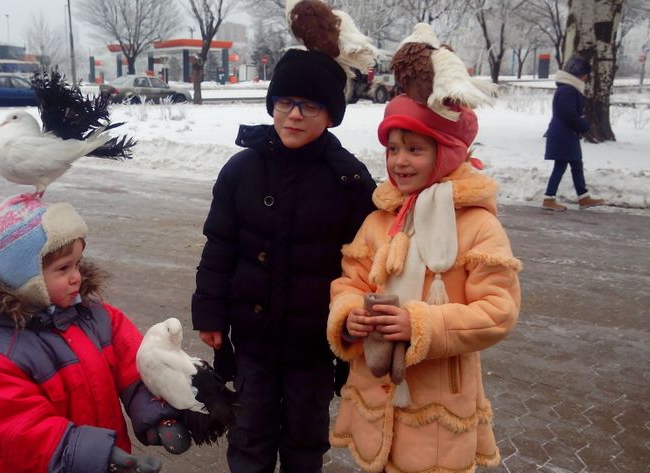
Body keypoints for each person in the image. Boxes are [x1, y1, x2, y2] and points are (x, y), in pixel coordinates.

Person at [190, 46, 378, 472]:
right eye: (285, 102)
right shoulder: (241, 170)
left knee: (305, 440)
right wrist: (211, 313)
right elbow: (218, 247)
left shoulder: (348, 181)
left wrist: (353, 329)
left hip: (313, 347)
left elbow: (364, 266)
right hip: (252, 340)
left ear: (330, 115)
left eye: (309, 106)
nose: (294, 114)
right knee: (250, 434)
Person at [326, 94, 522, 473]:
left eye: (415, 149)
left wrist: (421, 326)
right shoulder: (380, 220)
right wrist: (349, 315)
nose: (400, 161)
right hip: (375, 392)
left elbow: (498, 311)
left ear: (446, 152)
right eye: (393, 149)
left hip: (436, 403)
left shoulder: (478, 226)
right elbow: (351, 281)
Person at [0, 193, 187, 473]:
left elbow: (138, 367)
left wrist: (156, 414)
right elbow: (22, 433)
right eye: (63, 268)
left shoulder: (98, 318)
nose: (77, 276)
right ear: (24, 277)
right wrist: (101, 456)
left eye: (77, 263)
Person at [542, 56, 605, 211]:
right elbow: (569, 114)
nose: (586, 77)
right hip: (563, 135)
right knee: (561, 166)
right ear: (579, 74)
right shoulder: (568, 90)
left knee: (576, 164)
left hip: (565, 134)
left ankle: (583, 197)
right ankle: (549, 199)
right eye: (585, 74)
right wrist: (584, 125)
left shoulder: (567, 89)